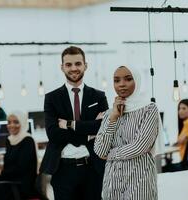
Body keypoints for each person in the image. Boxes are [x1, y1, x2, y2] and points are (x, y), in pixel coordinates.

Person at [39, 46, 108, 200]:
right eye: (68, 64)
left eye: (78, 63)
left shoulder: (98, 96)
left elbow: (103, 128)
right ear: (62, 67)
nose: (74, 68)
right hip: (63, 169)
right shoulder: (52, 98)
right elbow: (54, 134)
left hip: (92, 168)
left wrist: (69, 125)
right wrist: (87, 135)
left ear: (85, 65)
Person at [94, 65, 160, 200]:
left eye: (128, 79)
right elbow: (100, 150)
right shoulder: (108, 114)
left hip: (139, 182)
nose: (122, 84)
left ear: (137, 80)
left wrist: (110, 154)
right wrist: (113, 118)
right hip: (112, 185)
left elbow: (140, 147)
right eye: (116, 80)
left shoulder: (149, 109)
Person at [0, 111, 38, 199]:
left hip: (21, 185)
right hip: (11, 179)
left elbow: (22, 168)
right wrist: (1, 167)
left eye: (16, 122)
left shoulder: (27, 140)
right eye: (9, 122)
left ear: (22, 123)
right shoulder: (10, 140)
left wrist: (2, 172)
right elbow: (11, 164)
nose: (11, 125)